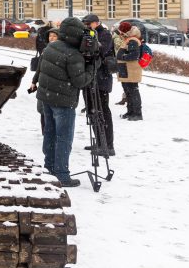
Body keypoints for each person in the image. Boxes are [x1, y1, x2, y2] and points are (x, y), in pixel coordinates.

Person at [36, 17, 95, 187]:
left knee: (50, 134)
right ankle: (61, 174)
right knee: (63, 138)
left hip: (46, 98)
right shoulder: (73, 54)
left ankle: (49, 168)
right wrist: (91, 68)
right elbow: (80, 81)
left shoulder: (51, 47)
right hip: (63, 102)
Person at [82, 13, 116, 156]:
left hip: (101, 79)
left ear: (96, 23)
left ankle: (108, 145)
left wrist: (90, 42)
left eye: (88, 24)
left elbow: (99, 51)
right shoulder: (89, 34)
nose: (86, 27)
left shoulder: (105, 34)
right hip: (90, 78)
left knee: (102, 111)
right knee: (92, 110)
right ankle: (99, 140)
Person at [27, 28, 59, 132]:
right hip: (43, 84)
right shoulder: (45, 50)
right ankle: (45, 133)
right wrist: (34, 81)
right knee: (42, 109)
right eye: (50, 36)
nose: (52, 38)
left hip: (55, 85)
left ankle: (51, 132)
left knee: (53, 110)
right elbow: (39, 68)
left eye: (54, 36)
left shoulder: (61, 51)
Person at [115, 22, 144, 121]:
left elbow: (134, 55)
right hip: (126, 69)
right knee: (128, 92)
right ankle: (130, 112)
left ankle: (137, 113)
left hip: (131, 70)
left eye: (121, 32)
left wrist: (122, 57)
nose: (120, 34)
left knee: (133, 91)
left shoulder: (133, 40)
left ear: (125, 31)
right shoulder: (128, 39)